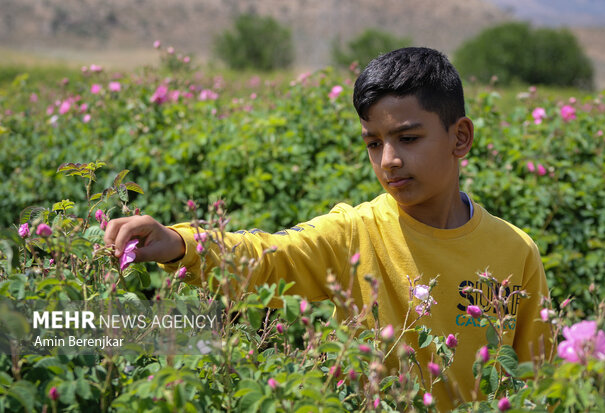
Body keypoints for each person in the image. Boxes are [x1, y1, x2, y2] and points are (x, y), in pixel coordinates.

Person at [104, 47, 551, 410]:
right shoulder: (354, 231)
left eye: (408, 139)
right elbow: (268, 256)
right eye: (374, 144)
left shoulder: (516, 251)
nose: (389, 160)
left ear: (460, 138)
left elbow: (539, 381)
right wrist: (180, 243)